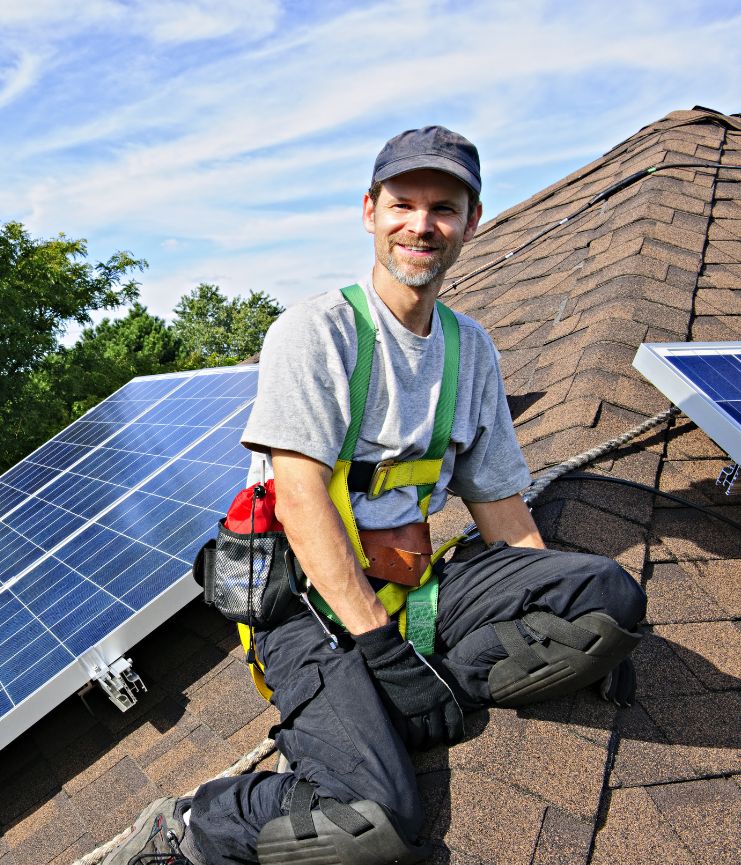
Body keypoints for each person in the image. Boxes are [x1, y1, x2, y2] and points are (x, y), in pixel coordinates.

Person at [105, 127, 646, 865]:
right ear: (369, 212)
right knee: (368, 824)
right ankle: (193, 825)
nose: (421, 225)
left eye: (443, 208)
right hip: (305, 607)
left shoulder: (469, 349)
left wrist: (570, 622)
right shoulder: (318, 333)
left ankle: (396, 703)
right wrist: (384, 651)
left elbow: (501, 509)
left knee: (609, 595)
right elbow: (300, 501)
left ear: (471, 222)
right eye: (402, 205)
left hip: (411, 586)